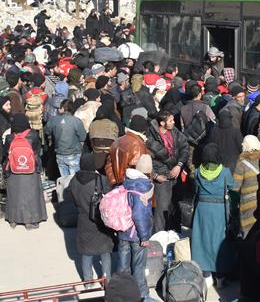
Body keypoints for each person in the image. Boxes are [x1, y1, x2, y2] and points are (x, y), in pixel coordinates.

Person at [192, 143, 237, 288]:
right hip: (219, 210)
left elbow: (195, 188)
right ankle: (220, 276)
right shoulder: (224, 172)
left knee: (202, 238)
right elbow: (231, 185)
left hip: (202, 209)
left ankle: (206, 275)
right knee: (219, 240)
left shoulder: (198, 171)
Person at [68, 153, 113, 285]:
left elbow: (73, 200)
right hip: (100, 221)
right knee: (105, 251)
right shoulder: (101, 180)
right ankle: (106, 279)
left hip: (83, 221)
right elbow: (109, 199)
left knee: (86, 252)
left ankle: (88, 281)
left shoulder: (74, 181)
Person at [116, 154, 154, 300]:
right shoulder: (144, 186)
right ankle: (142, 295)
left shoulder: (127, 181)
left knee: (123, 266)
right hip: (137, 233)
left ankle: (121, 292)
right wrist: (144, 236)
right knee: (138, 267)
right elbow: (139, 215)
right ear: (149, 170)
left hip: (123, 229)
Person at [144, 109, 188, 232]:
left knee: (175, 205)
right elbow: (146, 160)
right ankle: (160, 236)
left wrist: (179, 165)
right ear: (162, 123)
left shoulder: (175, 132)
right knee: (161, 208)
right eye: (170, 120)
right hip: (161, 177)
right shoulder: (150, 136)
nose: (173, 122)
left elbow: (184, 147)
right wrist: (155, 175)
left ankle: (174, 233)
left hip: (175, 174)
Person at [2, 113, 46, 230]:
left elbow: (5, 153)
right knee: (31, 194)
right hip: (31, 170)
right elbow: (37, 151)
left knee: (14, 194)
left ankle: (13, 219)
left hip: (14, 170)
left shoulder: (9, 138)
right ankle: (30, 221)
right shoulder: (34, 135)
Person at [233, 134, 260, 238]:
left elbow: (235, 187)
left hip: (247, 204)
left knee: (247, 233)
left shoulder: (242, 163)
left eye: (244, 143)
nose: (242, 144)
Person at [104, 114, 150, 185]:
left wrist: (114, 181)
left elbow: (109, 164)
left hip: (117, 185)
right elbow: (140, 172)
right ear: (144, 131)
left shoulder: (117, 141)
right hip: (132, 187)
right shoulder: (139, 145)